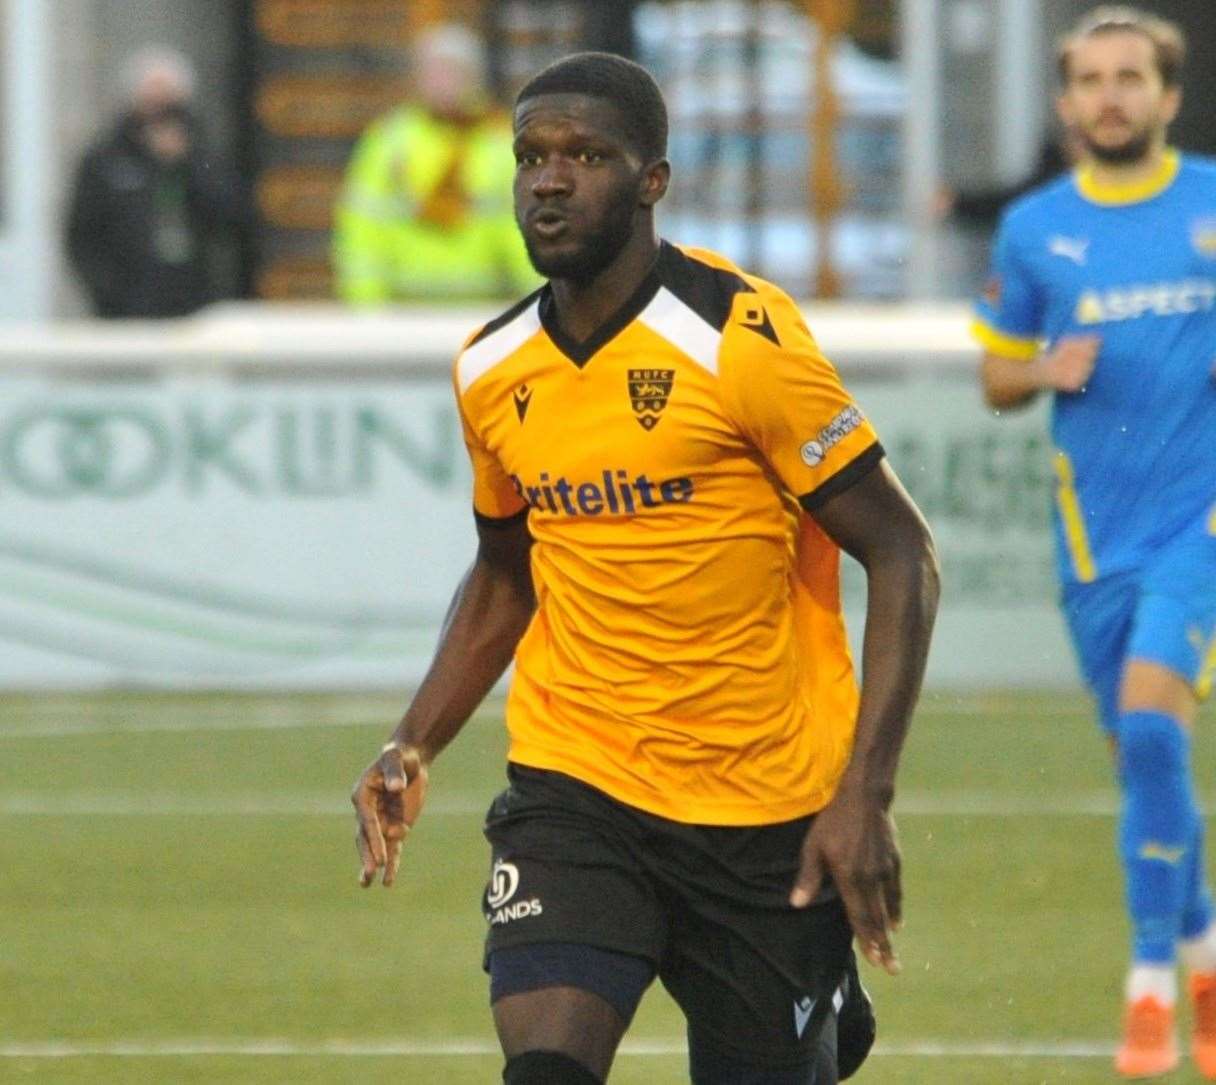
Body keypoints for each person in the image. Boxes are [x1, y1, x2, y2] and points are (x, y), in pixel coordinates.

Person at [352, 52, 939, 1084]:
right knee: (546, 1068)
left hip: (762, 804)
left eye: (585, 154)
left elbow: (901, 550)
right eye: (531, 155)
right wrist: (414, 739)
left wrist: (865, 791)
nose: (548, 178)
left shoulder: (739, 338)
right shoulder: (491, 368)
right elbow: (505, 568)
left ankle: (824, 998)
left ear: (651, 179)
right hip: (579, 783)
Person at [972, 7, 1216, 1078]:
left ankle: (1149, 988)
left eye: (1131, 79)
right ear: (1066, 103)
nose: (1110, 96)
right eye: (1090, 81)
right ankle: (1205, 950)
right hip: (1094, 545)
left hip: (1199, 527)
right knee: (1143, 768)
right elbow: (995, 376)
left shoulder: (1211, 205)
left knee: (1154, 733)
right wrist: (1040, 371)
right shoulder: (1033, 228)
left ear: (1168, 97)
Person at [332, 23, 538, 304]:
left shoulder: (500, 144)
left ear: (474, 76)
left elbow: (524, 231)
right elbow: (361, 232)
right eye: (432, 71)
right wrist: (366, 309)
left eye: (451, 71)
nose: (441, 82)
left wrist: (540, 307)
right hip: (402, 313)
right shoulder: (389, 141)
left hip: (484, 308)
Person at [65, 47, 246, 318]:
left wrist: (187, 164)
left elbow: (232, 217)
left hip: (195, 302)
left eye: (168, 102)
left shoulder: (205, 154)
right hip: (127, 306)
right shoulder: (105, 158)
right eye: (151, 98)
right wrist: (110, 293)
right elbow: (82, 235)